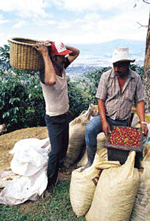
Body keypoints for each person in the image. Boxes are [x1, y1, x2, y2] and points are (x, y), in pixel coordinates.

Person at [82, 47, 148, 171]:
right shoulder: (106, 77)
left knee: (125, 148)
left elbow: (139, 101)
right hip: (106, 117)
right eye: (115, 65)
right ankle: (90, 161)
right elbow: (100, 100)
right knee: (90, 128)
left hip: (123, 121)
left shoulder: (136, 79)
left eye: (120, 66)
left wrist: (143, 122)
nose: (116, 69)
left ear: (128, 65)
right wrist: (104, 122)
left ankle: (125, 165)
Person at [35, 41, 80, 194]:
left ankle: (59, 169)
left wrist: (59, 45)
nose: (64, 58)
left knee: (64, 146)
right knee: (55, 151)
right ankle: (49, 184)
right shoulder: (45, 72)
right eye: (61, 56)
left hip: (64, 115)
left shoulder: (62, 66)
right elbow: (51, 80)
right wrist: (45, 53)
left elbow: (76, 52)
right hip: (53, 118)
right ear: (54, 58)